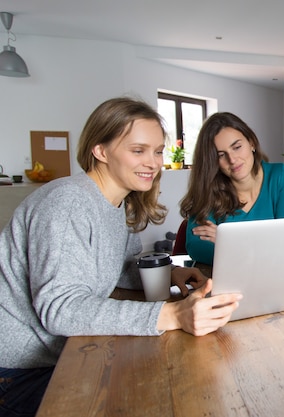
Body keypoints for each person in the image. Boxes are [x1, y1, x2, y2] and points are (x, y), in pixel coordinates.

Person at [0, 97, 242, 417]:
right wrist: (172, 316)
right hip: (21, 372)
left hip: (68, 352)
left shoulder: (119, 204)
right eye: (138, 150)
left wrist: (169, 273)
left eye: (157, 151)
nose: (153, 163)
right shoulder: (66, 203)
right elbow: (60, 309)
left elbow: (121, 271)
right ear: (100, 151)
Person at [180, 112, 284, 265]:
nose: (232, 160)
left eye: (237, 147)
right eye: (221, 155)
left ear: (252, 143)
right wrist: (262, 248)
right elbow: (197, 247)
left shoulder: (280, 176)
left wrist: (228, 241)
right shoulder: (208, 188)